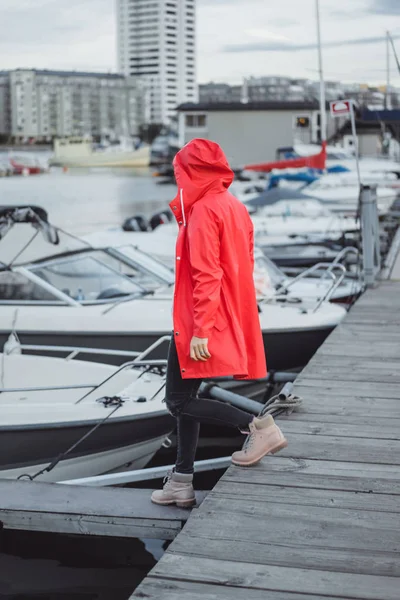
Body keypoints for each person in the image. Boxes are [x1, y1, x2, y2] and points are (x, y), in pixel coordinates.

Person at [151, 139, 287, 508]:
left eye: (181, 172)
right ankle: (181, 481)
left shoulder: (203, 212)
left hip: (199, 322)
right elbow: (242, 267)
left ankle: (258, 425)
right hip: (218, 317)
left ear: (190, 172)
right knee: (188, 399)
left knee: (177, 402)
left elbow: (207, 275)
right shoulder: (235, 207)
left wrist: (201, 329)